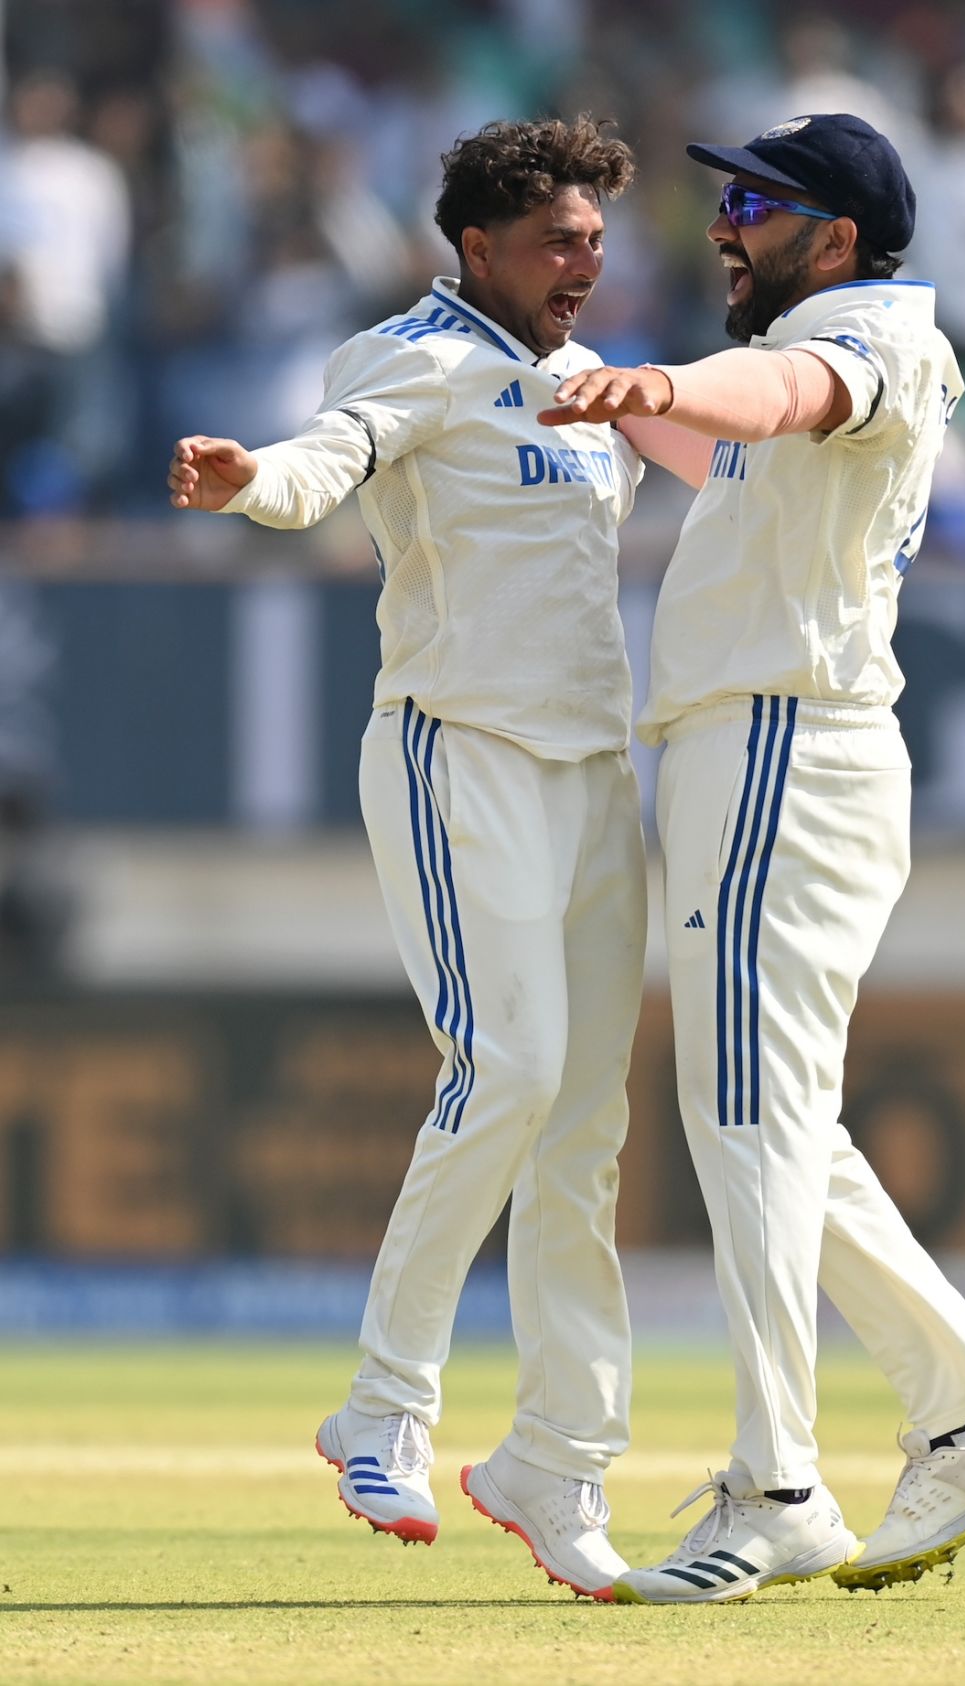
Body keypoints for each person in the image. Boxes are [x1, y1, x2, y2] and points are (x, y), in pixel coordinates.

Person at [540, 112, 965, 1605]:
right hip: (762, 748)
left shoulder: (870, 331)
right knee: (770, 1125)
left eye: (756, 203)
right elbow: (726, 445)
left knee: (749, 1125)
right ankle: (961, 1416)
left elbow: (773, 394)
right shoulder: (825, 335)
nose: (727, 222)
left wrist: (661, 378)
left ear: (834, 235)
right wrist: (606, 393)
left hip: (779, 748)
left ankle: (779, 1482)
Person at [168, 117, 648, 1602]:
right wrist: (254, 480)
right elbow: (329, 465)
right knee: (503, 1069)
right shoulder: (408, 357)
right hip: (461, 753)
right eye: (562, 238)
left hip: (592, 772)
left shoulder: (586, 382)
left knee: (580, 1136)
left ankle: (559, 1464)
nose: (589, 260)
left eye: (596, 237)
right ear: (481, 243)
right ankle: (381, 1410)